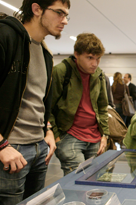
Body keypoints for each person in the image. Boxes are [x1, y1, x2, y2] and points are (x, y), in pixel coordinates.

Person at [0, 0, 70, 204]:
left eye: (67, 15)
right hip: (11, 149)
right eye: (59, 13)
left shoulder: (46, 53)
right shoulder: (6, 36)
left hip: (39, 149)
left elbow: (39, 101)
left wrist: (47, 130)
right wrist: (2, 145)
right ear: (37, 9)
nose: (64, 21)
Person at [49, 33, 109, 176]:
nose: (94, 63)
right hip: (69, 137)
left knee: (96, 181)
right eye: (89, 58)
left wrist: (105, 135)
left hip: (94, 138)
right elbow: (47, 107)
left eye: (98, 58)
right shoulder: (61, 71)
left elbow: (102, 107)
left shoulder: (99, 74)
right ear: (76, 54)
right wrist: (57, 137)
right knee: (78, 183)